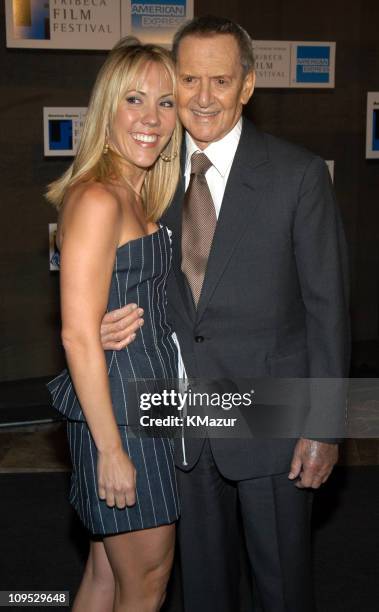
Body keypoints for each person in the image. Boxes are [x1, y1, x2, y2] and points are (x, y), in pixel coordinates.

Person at [100, 16, 350, 612]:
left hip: (274, 422)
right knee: (201, 590)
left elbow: (328, 311)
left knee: (282, 587)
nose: (203, 97)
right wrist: (111, 319)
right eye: (189, 80)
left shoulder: (299, 175)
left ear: (247, 85)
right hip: (179, 422)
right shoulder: (148, 175)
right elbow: (134, 277)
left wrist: (323, 426)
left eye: (220, 80)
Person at [46, 37, 182, 612]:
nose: (152, 119)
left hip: (144, 403)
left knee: (106, 578)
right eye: (135, 99)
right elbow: (77, 334)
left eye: (167, 102)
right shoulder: (100, 198)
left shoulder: (135, 193)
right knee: (144, 585)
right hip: (122, 420)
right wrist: (111, 450)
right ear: (108, 108)